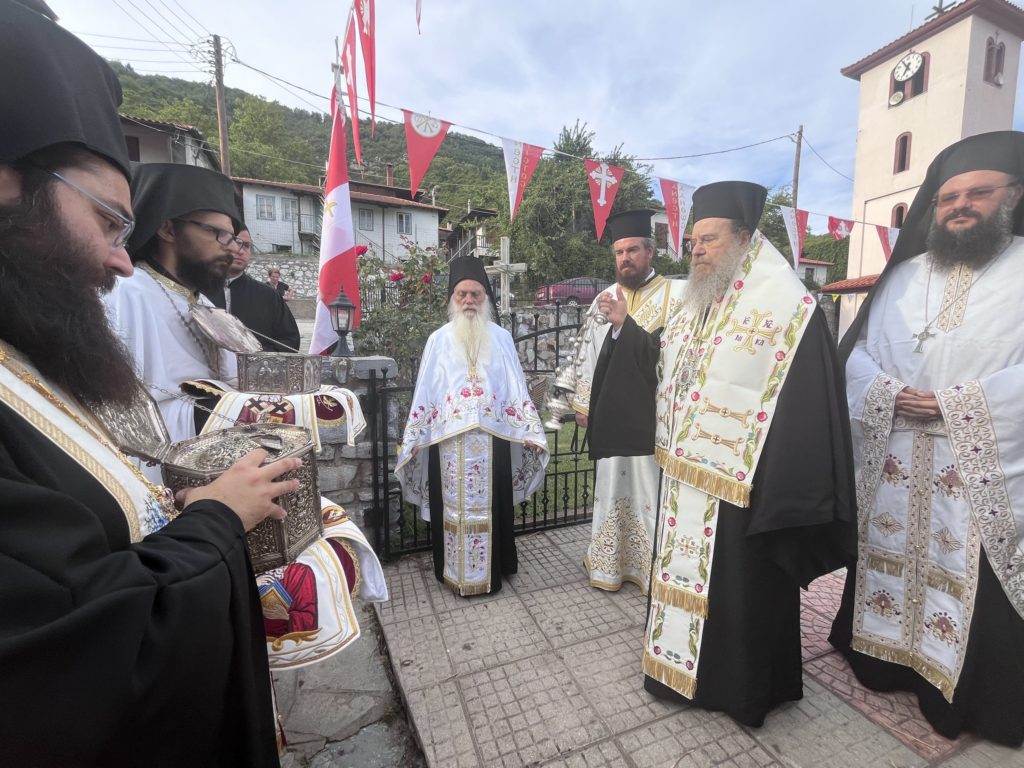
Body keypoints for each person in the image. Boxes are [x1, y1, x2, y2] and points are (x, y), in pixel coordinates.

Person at [0, 2, 289, 763]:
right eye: (106, 223)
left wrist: (169, 508)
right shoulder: (125, 300)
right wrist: (215, 521)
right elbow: (73, 660)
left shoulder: (26, 350)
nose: (119, 262)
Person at [605, 181, 856, 727]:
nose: (696, 250)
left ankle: (741, 689)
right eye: (694, 240)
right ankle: (674, 673)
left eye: (709, 240)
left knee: (741, 595)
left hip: (744, 487)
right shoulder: (701, 301)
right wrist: (629, 332)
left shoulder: (788, 308)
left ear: (745, 239)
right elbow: (669, 364)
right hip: (683, 482)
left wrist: (776, 483)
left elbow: (805, 401)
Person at [829, 131, 1024, 748]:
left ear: (1013, 197)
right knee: (891, 556)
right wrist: (886, 391)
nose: (960, 206)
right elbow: (855, 352)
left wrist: (961, 403)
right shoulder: (903, 275)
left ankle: (970, 695)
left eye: (977, 193)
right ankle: (884, 661)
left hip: (981, 467)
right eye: (947, 199)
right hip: (896, 454)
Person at [395, 256, 549, 595]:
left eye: (476, 294)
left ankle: (495, 569)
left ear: (486, 298)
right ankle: (452, 570)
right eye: (462, 294)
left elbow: (514, 387)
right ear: (452, 297)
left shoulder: (502, 338)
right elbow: (427, 390)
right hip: (448, 442)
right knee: (452, 509)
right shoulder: (438, 339)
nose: (468, 301)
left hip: (493, 441)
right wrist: (418, 435)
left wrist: (528, 431)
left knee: (492, 507)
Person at [571, 208, 685, 593]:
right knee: (610, 487)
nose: (625, 259)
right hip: (611, 419)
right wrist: (584, 405)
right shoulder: (603, 299)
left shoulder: (677, 296)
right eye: (619, 252)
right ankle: (608, 563)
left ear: (650, 252)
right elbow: (587, 354)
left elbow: (676, 355)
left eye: (633, 250)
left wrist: (626, 326)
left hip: (652, 421)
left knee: (649, 489)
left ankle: (651, 567)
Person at [104, 161, 247, 443]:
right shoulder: (128, 293)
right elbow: (119, 409)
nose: (230, 248)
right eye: (216, 233)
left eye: (233, 238)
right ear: (168, 229)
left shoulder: (202, 301)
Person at [206, 226, 301, 353]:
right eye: (235, 243)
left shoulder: (269, 296)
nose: (240, 251)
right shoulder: (195, 292)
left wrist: (257, 355)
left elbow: (291, 341)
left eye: (246, 245)